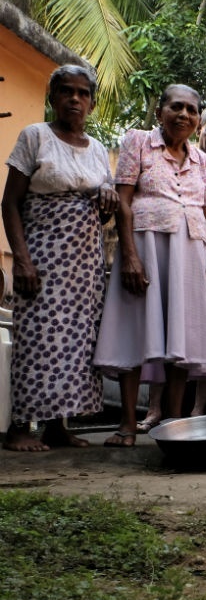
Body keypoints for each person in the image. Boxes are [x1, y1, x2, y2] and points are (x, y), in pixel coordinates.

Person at [93, 84, 206, 447]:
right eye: (176, 107)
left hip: (191, 253)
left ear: (198, 119)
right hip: (146, 248)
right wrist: (129, 255)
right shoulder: (137, 142)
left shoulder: (204, 163)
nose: (184, 115)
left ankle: (175, 425)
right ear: (160, 110)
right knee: (136, 331)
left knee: (184, 339)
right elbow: (123, 200)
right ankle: (129, 424)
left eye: (192, 110)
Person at [1, 64, 118, 452]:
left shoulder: (99, 150)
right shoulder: (35, 136)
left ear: (92, 103)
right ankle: (20, 426)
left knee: (74, 343)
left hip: (84, 263)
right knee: (36, 338)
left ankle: (57, 426)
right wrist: (22, 260)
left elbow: (102, 213)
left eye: (83, 93)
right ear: (52, 98)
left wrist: (106, 202)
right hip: (42, 256)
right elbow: (10, 203)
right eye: (66, 91)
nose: (75, 99)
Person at [136, 105, 206, 430]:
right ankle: (155, 410)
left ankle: (197, 412)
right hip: (181, 257)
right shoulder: (184, 164)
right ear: (200, 129)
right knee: (167, 332)